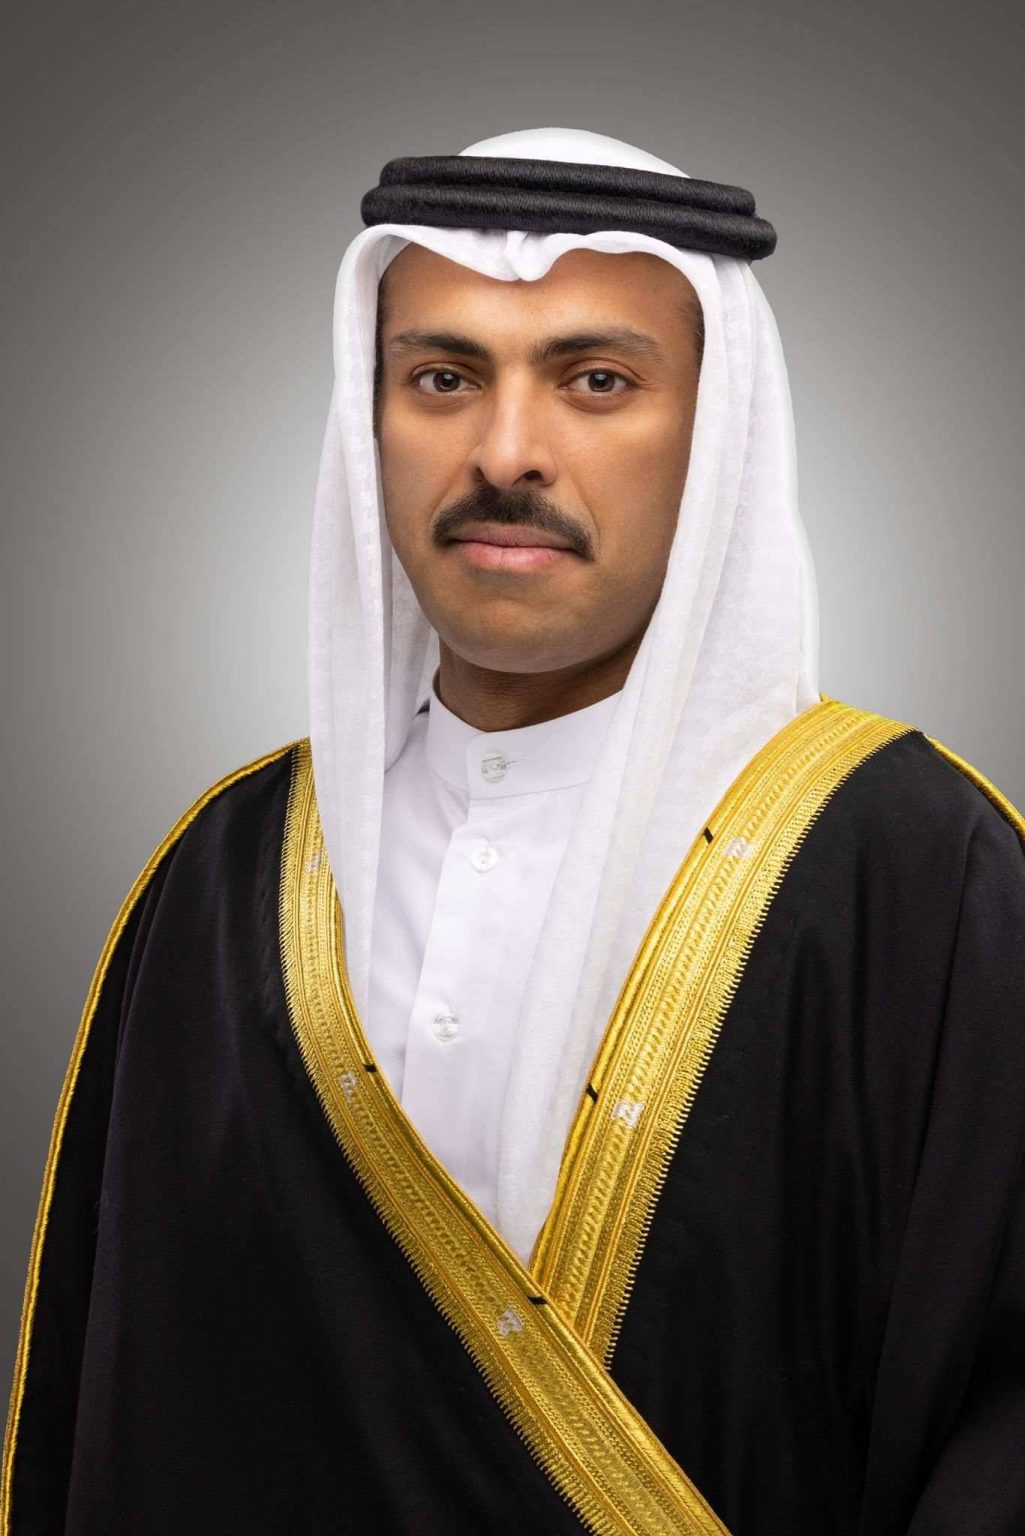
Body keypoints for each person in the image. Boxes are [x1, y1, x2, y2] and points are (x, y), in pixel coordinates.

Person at [2, 125, 1023, 1536]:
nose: (505, 453)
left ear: (715, 439)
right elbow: (121, 1402)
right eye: (443, 378)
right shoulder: (228, 869)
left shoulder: (913, 866)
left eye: (596, 381)